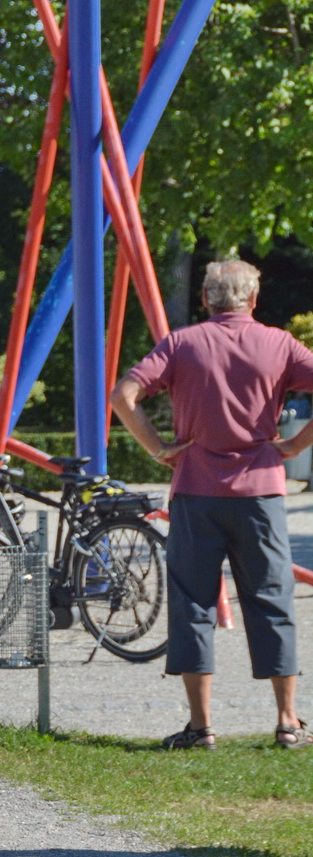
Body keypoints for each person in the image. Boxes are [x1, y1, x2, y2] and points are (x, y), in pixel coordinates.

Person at [111, 258, 313, 750]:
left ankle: (200, 727)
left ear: (205, 298)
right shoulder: (280, 344)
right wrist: (294, 446)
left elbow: (124, 395)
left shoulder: (182, 344)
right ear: (254, 300)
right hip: (261, 491)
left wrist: (159, 449)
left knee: (193, 603)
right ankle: (288, 722)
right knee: (272, 601)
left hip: (196, 490)